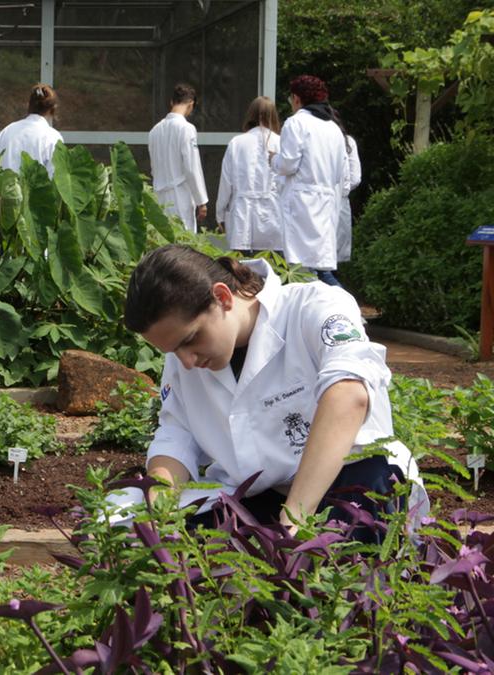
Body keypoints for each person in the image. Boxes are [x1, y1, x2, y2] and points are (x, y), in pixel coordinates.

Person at [123, 245, 426, 540]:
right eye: (173, 350)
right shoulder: (184, 358)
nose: (186, 361)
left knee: (334, 555)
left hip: (349, 478)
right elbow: (177, 433)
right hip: (257, 495)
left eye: (190, 339)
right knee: (127, 524)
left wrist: (294, 518)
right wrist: (161, 504)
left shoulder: (313, 306)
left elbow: (348, 395)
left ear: (222, 297)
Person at [272, 75, 348, 286]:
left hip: (301, 203)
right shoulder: (333, 127)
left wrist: (273, 160)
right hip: (326, 201)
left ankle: (345, 308)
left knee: (302, 268)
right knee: (320, 267)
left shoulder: (296, 123)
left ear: (296, 98)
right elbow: (341, 169)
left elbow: (288, 165)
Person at [215, 97, 283, 255]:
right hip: (273, 215)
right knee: (273, 270)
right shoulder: (280, 142)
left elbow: (226, 182)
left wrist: (220, 214)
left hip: (242, 216)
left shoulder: (237, 143)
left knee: (244, 273)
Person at [148, 84, 209, 233]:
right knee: (183, 241)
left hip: (159, 197)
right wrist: (201, 201)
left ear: (171, 102)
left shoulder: (154, 131)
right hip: (179, 196)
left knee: (162, 241)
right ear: (191, 104)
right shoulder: (186, 128)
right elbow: (191, 168)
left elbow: (153, 168)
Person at [0, 83, 64, 176]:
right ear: (52, 109)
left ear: (29, 105)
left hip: (7, 189)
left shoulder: (7, 131)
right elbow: (55, 177)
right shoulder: (53, 137)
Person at [337, 128, 362, 266]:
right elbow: (355, 178)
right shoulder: (347, 141)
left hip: (317, 205)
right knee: (332, 265)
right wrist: (343, 188)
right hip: (341, 203)